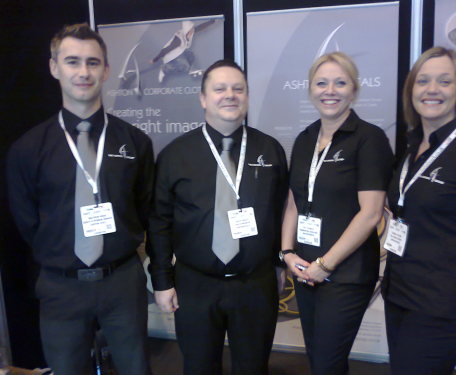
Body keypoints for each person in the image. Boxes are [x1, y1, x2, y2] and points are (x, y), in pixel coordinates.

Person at [7, 24, 154, 375]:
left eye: (93, 62)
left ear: (106, 70)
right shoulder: (27, 149)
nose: (83, 72)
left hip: (122, 282)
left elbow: (145, 208)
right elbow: (26, 221)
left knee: (136, 369)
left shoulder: (135, 142)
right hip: (61, 287)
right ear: (54, 68)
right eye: (73, 61)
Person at [147, 59, 289, 375]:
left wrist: (279, 261)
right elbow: (159, 221)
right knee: (198, 368)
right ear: (203, 98)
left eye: (238, 89)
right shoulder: (175, 155)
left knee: (253, 368)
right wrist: (161, 280)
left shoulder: (271, 150)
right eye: (220, 89)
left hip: (254, 284)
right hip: (195, 286)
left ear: (247, 97)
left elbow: (282, 212)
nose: (230, 95)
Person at [382, 46, 456, 375]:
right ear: (411, 91)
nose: (432, 90)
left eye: (444, 81)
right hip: (400, 294)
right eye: (423, 81)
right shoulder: (411, 145)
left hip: (443, 303)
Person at [281, 52, 394, 374]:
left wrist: (325, 265)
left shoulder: (369, 139)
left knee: (328, 361)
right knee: (318, 357)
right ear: (310, 90)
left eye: (340, 83)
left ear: (354, 91)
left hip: (346, 272)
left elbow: (371, 214)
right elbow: (294, 202)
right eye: (321, 83)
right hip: (305, 267)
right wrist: (287, 252)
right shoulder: (304, 139)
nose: (330, 90)